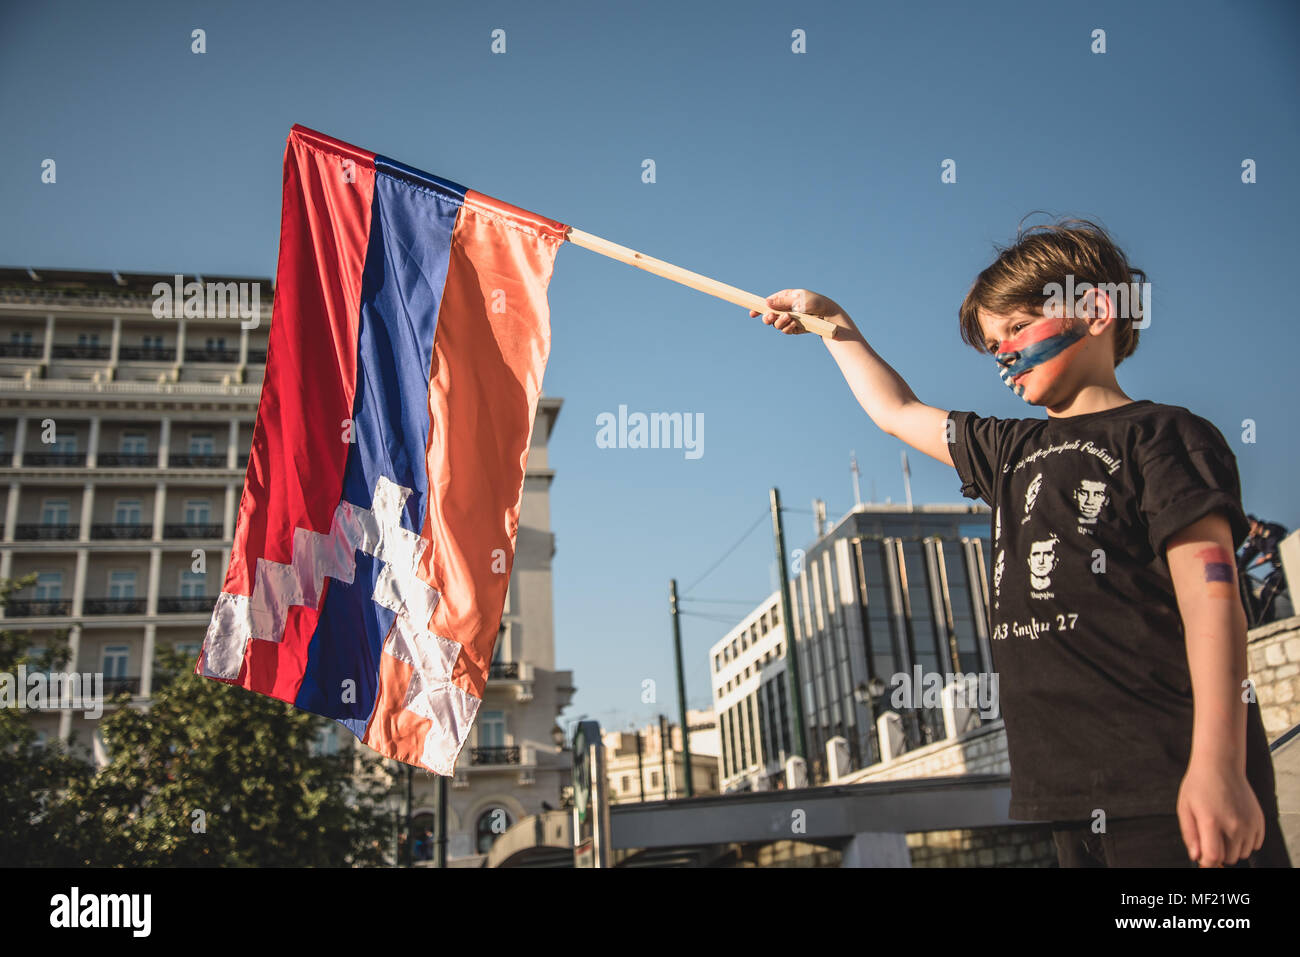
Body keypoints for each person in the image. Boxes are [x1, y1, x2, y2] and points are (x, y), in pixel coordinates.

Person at [752, 218, 1289, 868]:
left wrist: (1218, 766)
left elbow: (1212, 602)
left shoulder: (1164, 436)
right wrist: (831, 321)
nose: (1002, 353)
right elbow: (895, 410)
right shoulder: (1009, 451)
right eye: (990, 343)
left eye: (1014, 329)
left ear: (1094, 310)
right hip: (1062, 791)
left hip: (1173, 782)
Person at [1238, 515, 1289, 624]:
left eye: (1249, 528)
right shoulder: (1256, 539)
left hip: (1288, 567)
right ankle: (1266, 622)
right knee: (1265, 594)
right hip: (1279, 571)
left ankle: (1268, 623)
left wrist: (1266, 557)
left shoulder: (1272, 529)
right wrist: (1237, 569)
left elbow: (1274, 545)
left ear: (1254, 523)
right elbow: (1247, 555)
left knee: (1268, 592)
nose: (1249, 533)